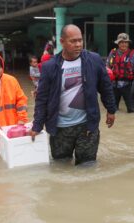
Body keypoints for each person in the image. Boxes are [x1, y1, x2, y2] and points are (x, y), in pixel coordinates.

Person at [29, 24, 116, 165]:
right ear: (62, 42)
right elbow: (42, 99)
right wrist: (37, 126)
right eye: (73, 41)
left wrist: (111, 110)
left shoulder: (93, 60)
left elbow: (105, 87)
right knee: (61, 166)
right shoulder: (50, 67)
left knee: (87, 167)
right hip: (60, 128)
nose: (78, 44)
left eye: (80, 40)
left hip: (87, 126)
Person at [106, 33, 134, 113]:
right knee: (113, 110)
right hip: (114, 84)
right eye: (122, 42)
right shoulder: (112, 53)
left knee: (131, 110)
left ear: (128, 43)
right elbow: (107, 68)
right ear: (118, 43)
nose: (124, 44)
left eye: (126, 42)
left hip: (128, 85)